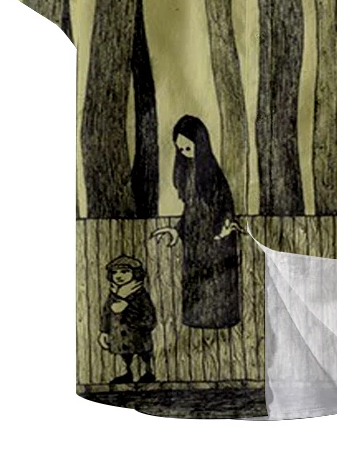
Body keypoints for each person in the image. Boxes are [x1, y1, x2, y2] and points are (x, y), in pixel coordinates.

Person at [152, 115, 242, 328]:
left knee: (217, 284)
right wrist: (177, 231)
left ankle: (220, 321)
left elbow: (225, 206)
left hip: (216, 240)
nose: (184, 153)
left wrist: (223, 229)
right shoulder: (187, 172)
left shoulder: (213, 175)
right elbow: (190, 210)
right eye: (180, 149)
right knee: (196, 285)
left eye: (188, 148)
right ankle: (196, 320)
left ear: (200, 144)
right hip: (194, 241)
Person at [98, 255, 157, 384]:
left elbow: (149, 319)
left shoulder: (140, 294)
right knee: (123, 357)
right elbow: (107, 313)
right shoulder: (114, 294)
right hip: (118, 336)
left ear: (135, 273)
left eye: (124, 271)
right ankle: (126, 373)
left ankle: (146, 373)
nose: (119, 275)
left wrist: (128, 309)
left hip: (137, 337)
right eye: (115, 272)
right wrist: (104, 331)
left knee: (141, 357)